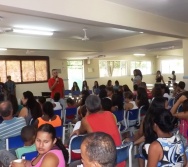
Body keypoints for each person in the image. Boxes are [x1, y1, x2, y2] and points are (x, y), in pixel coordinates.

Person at [71, 95, 124, 167]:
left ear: (86, 108)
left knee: (73, 165)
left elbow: (81, 131)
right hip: (120, 157)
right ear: (100, 105)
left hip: (103, 160)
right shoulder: (110, 114)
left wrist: (87, 114)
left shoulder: (86, 120)